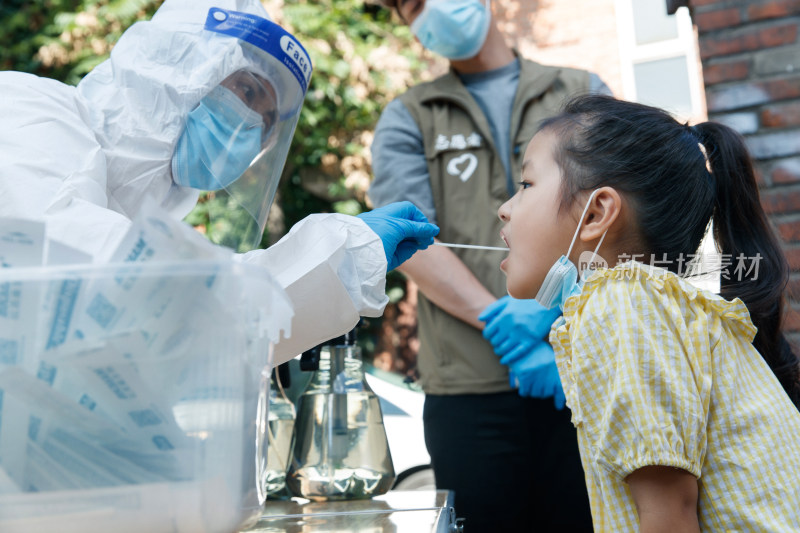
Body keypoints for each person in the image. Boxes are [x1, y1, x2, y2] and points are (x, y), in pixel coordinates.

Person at [0, 0, 438, 363]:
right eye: (246, 92)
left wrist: (344, 264)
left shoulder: (143, 226)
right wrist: (342, 256)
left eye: (267, 122)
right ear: (176, 67)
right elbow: (123, 292)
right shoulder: (27, 112)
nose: (250, 129)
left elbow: (196, 346)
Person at [487, 93, 800, 531]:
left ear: (596, 212)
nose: (505, 207)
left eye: (526, 186)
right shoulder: (649, 303)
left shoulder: (619, 306)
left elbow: (669, 515)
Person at [368, 0, 605, 529]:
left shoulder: (578, 89)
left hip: (582, 375)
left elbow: (615, 211)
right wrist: (507, 326)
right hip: (466, 392)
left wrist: (547, 313)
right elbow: (411, 240)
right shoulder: (410, 115)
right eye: (412, 4)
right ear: (408, 23)